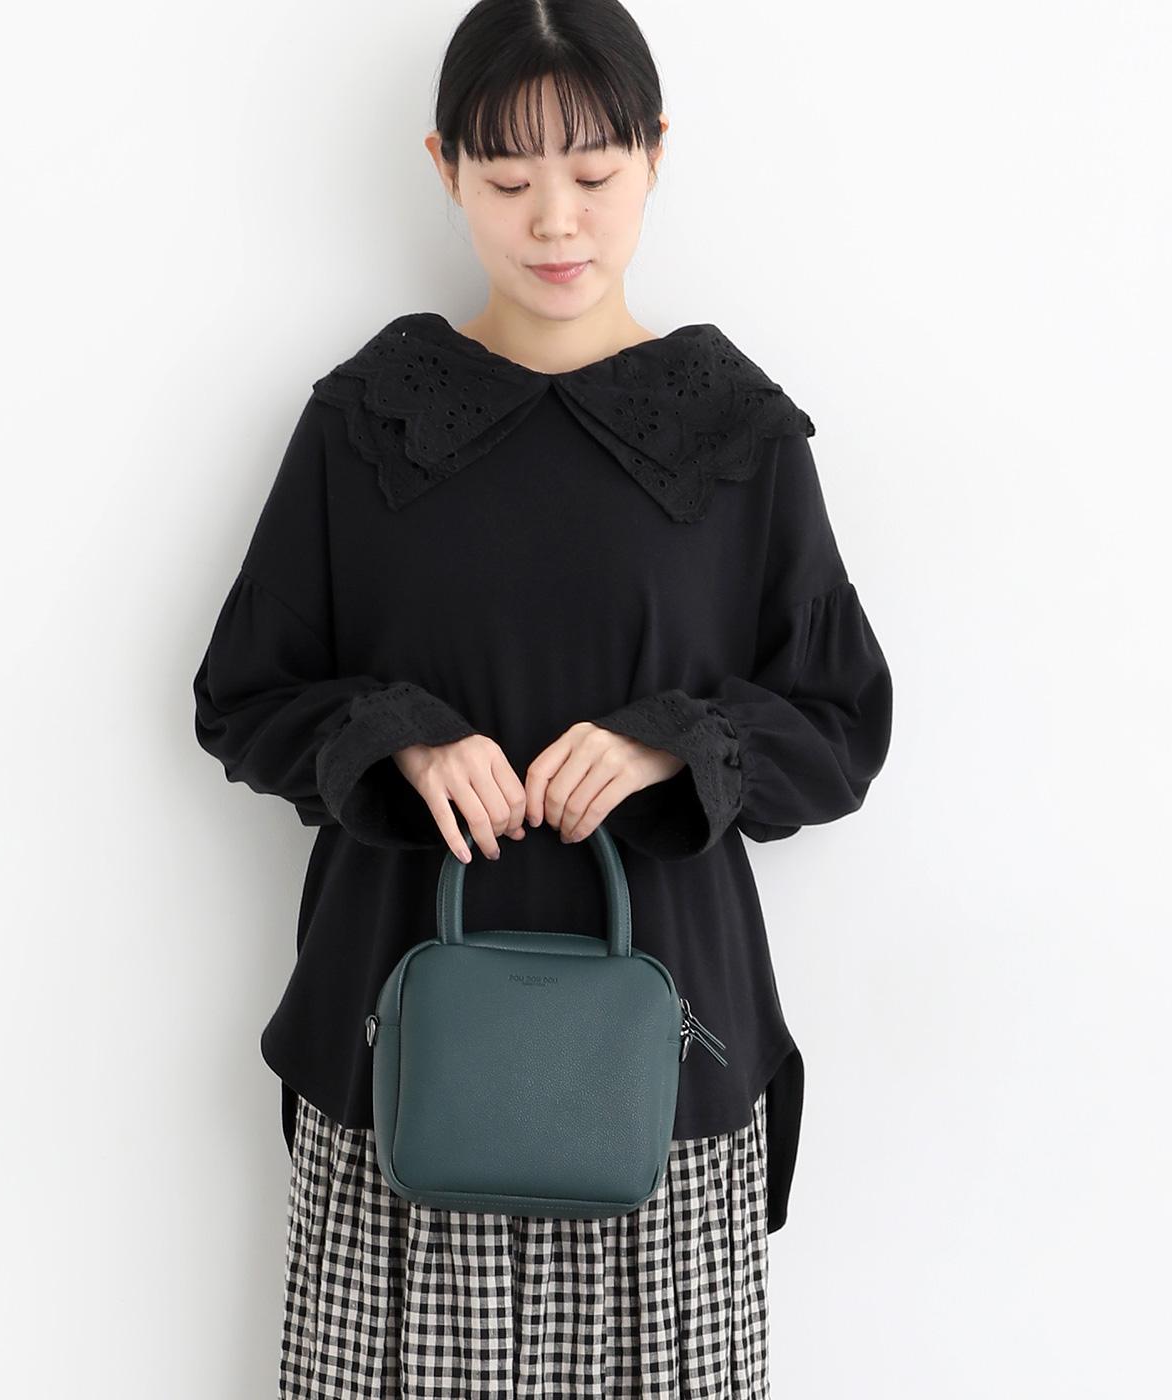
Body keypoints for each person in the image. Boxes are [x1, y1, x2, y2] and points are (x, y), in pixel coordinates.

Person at [192, 0, 894, 1394]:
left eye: (595, 171)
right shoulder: (369, 420)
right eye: (509, 179)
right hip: (404, 1057)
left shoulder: (734, 431)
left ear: (656, 155)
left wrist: (678, 745)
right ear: (445, 169)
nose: (556, 220)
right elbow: (243, 696)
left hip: (663, 1071)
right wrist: (399, 740)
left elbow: (840, 723)